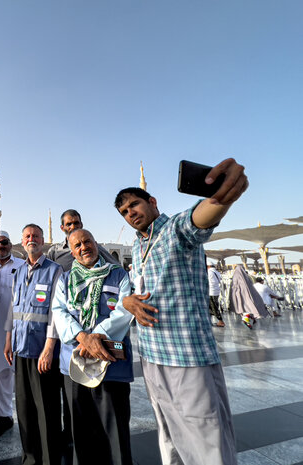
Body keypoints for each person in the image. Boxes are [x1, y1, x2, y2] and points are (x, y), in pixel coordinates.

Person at [114, 157, 248, 465]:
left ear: (152, 201)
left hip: (185, 358)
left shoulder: (174, 230)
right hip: (152, 357)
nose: (130, 213)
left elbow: (200, 218)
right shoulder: (138, 245)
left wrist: (222, 196)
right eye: (124, 212)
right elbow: (145, 288)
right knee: (169, 437)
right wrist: (129, 300)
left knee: (206, 443)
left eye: (134, 204)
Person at [52, 229, 134, 465]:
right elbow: (59, 312)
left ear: (96, 243)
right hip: (76, 365)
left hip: (111, 366)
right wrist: (82, 337)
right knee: (81, 432)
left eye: (87, 242)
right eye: (77, 245)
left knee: (114, 432)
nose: (83, 247)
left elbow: (124, 310)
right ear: (72, 251)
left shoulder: (118, 275)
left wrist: (96, 336)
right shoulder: (66, 279)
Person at [4, 224, 63, 465]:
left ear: (43, 240)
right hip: (21, 349)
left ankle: (50, 459)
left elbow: (56, 312)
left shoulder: (54, 271)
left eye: (36, 236)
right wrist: (8, 340)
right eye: (27, 236)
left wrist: (49, 348)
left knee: (46, 409)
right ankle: (30, 457)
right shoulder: (18, 272)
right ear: (22, 240)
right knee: (25, 408)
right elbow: (12, 309)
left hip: (42, 351)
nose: (32, 239)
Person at [0, 230, 25, 439]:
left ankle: (29, 416)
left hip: (19, 328)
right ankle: (4, 416)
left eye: (4, 243)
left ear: (11, 244)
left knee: (21, 373)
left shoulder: (21, 265)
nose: (0, 247)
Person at [46, 209, 118, 271]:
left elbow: (116, 268)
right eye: (69, 224)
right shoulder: (55, 252)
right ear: (62, 228)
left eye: (76, 223)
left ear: (81, 225)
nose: (73, 227)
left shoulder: (94, 248)